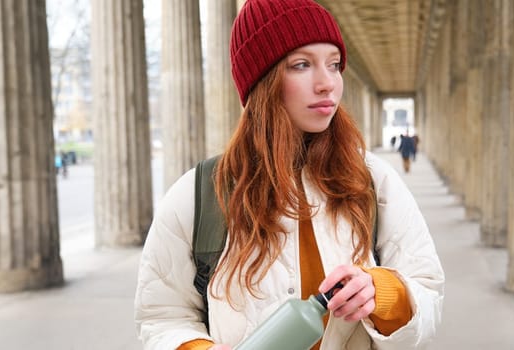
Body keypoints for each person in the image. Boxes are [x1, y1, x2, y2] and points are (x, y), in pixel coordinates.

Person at [133, 1, 444, 349]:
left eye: (334, 64)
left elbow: (428, 292)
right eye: (301, 65)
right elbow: (160, 318)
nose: (328, 84)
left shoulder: (374, 181)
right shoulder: (199, 194)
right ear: (262, 82)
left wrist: (384, 294)